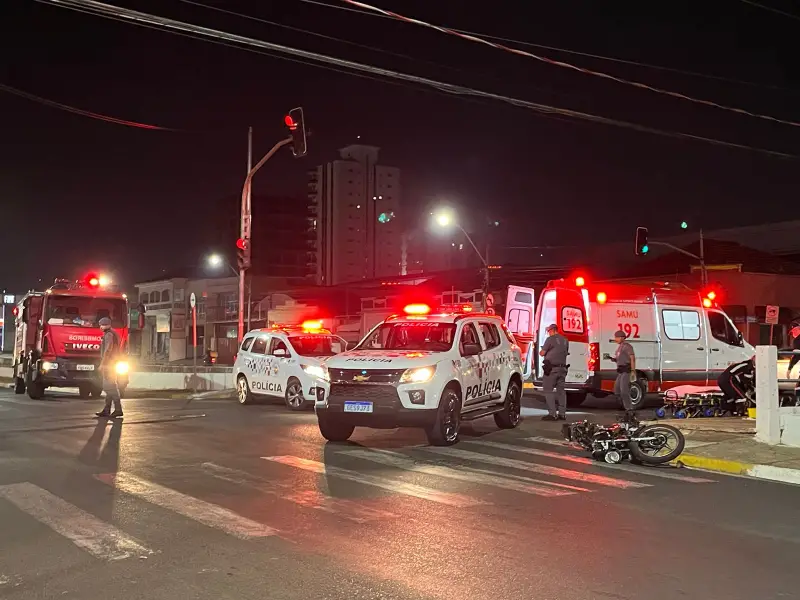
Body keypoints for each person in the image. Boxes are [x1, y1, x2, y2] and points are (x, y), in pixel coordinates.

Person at [539, 323, 569, 421]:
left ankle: (552, 414)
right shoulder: (565, 340)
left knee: (548, 390)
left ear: (552, 330)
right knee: (561, 392)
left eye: (549, 331)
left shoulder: (550, 339)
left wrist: (542, 350)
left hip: (552, 369)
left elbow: (542, 353)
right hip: (563, 369)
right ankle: (562, 414)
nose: (548, 333)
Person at [95, 317, 123, 418]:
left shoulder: (109, 335)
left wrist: (102, 364)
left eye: (101, 325)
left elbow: (108, 350)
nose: (100, 327)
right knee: (110, 387)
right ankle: (106, 410)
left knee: (110, 387)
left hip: (109, 364)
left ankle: (118, 409)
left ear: (106, 325)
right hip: (113, 362)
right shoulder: (114, 333)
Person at [610, 330, 636, 411]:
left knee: (624, 390)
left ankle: (629, 408)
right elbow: (619, 359)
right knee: (617, 390)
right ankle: (623, 406)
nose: (615, 339)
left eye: (617, 337)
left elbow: (632, 358)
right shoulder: (620, 347)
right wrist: (613, 359)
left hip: (626, 370)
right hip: (620, 371)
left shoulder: (627, 346)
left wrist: (633, 370)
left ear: (622, 338)